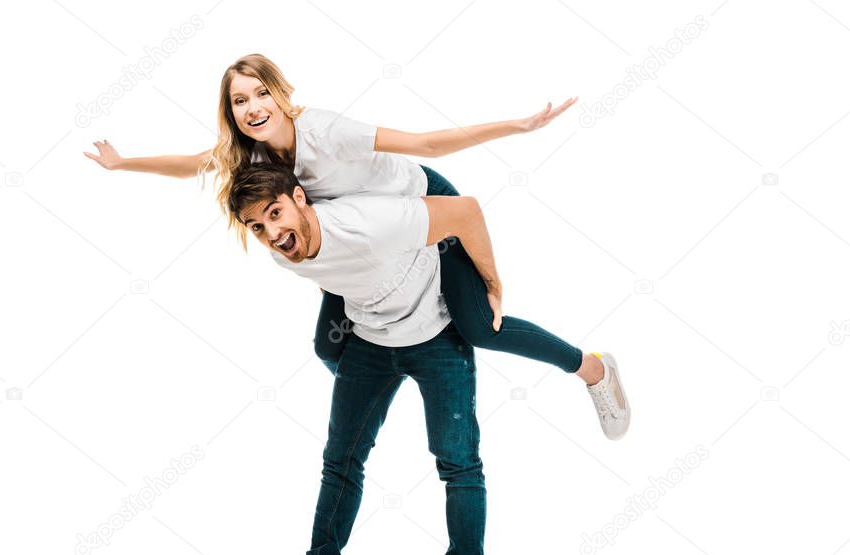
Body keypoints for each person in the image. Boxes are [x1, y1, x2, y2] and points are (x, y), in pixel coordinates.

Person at [85, 54, 630, 439]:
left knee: (477, 326)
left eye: (260, 92)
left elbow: (427, 143)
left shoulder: (326, 131)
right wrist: (122, 162)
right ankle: (385, 383)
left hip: (424, 207)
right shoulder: (251, 159)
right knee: (329, 347)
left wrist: (515, 127)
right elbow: (191, 166)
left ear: (279, 93)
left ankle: (592, 370)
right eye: (239, 100)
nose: (252, 107)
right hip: (368, 243)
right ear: (232, 112)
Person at [226, 162, 629, 555]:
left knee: (458, 462)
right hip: (370, 345)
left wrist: (491, 284)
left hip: (439, 335)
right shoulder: (283, 253)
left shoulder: (368, 220)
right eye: (257, 226)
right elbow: (334, 276)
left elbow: (463, 212)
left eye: (275, 214)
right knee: (341, 460)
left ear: (300, 197)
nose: (272, 232)